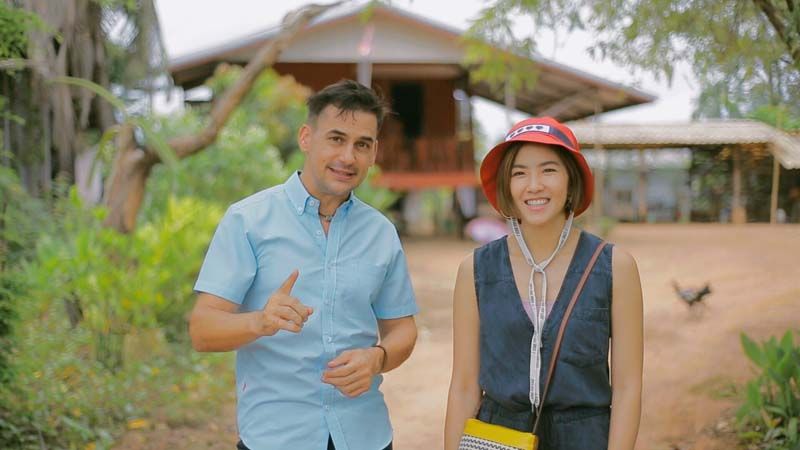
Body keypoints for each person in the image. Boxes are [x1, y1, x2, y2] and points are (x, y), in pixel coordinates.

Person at [190, 79, 418, 450]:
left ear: (374, 152)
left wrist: (378, 358)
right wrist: (260, 321)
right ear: (306, 138)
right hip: (276, 438)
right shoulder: (248, 221)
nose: (348, 157)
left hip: (365, 435)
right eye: (336, 139)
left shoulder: (381, 232)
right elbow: (202, 330)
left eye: (362, 144)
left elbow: (403, 330)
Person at [444, 117, 643, 450]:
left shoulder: (614, 267)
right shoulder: (475, 270)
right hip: (497, 440)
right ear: (506, 185)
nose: (534, 185)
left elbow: (627, 388)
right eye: (519, 173)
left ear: (571, 180)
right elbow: (464, 387)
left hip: (584, 439)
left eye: (548, 170)